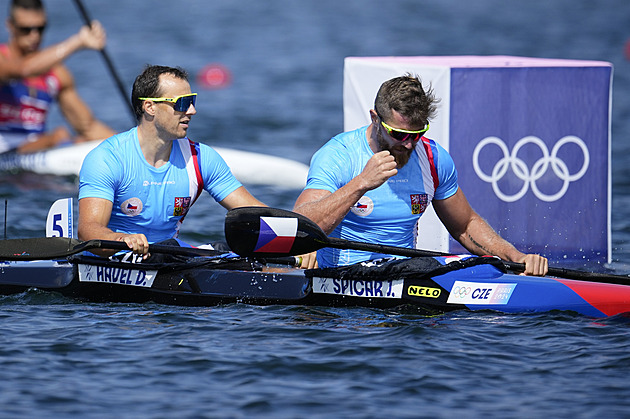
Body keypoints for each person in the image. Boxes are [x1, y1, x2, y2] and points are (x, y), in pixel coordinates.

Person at [293, 74, 548, 276]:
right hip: (343, 279)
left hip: (406, 277)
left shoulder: (434, 159)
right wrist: (360, 184)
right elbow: (300, 227)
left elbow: (465, 225)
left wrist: (516, 257)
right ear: (375, 119)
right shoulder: (339, 156)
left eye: (416, 135)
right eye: (399, 134)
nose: (407, 144)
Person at [77, 64, 317, 268]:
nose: (192, 111)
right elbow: (88, 230)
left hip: (170, 256)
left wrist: (297, 243)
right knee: (169, 250)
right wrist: (123, 239)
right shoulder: (107, 159)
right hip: (115, 258)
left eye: (192, 101)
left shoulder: (201, 158)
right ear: (150, 107)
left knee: (237, 252)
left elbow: (254, 212)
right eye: (182, 103)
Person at [0, 0, 115, 154]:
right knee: (59, 135)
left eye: (40, 29)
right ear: (10, 26)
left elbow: (89, 127)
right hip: (5, 151)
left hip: (36, 151)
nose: (34, 36)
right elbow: (24, 70)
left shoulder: (56, 74)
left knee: (83, 140)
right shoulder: (3, 59)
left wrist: (133, 147)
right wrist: (79, 41)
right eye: (26, 29)